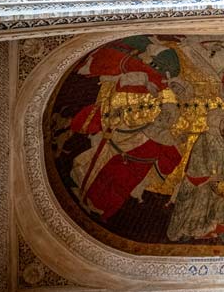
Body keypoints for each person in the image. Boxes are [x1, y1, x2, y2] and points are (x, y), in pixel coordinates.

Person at [69, 77, 185, 221]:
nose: (165, 118)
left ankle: (100, 210)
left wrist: (177, 144)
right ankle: (86, 196)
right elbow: (127, 132)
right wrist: (116, 126)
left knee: (118, 190)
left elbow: (170, 161)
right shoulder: (145, 125)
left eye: (169, 117)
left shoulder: (167, 139)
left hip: (136, 170)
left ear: (173, 121)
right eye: (164, 114)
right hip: (120, 159)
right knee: (104, 178)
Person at [166, 108, 224, 244]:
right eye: (223, 122)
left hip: (218, 182)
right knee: (203, 194)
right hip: (202, 182)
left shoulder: (223, 142)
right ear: (216, 121)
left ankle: (220, 230)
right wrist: (208, 178)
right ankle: (191, 230)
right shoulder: (203, 138)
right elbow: (195, 163)